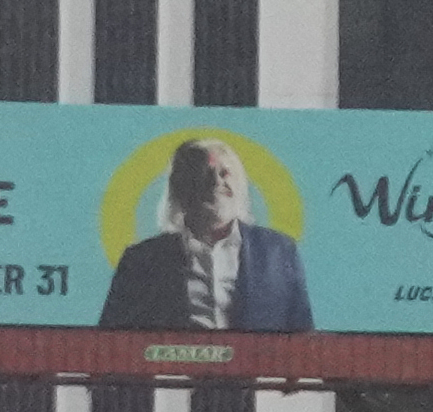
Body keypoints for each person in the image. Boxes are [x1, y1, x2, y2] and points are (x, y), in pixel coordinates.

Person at [97, 136, 313, 332]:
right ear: (180, 188)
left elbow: (303, 341)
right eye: (204, 173)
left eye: (225, 173)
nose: (217, 182)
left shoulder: (278, 252)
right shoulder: (141, 261)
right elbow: (111, 344)